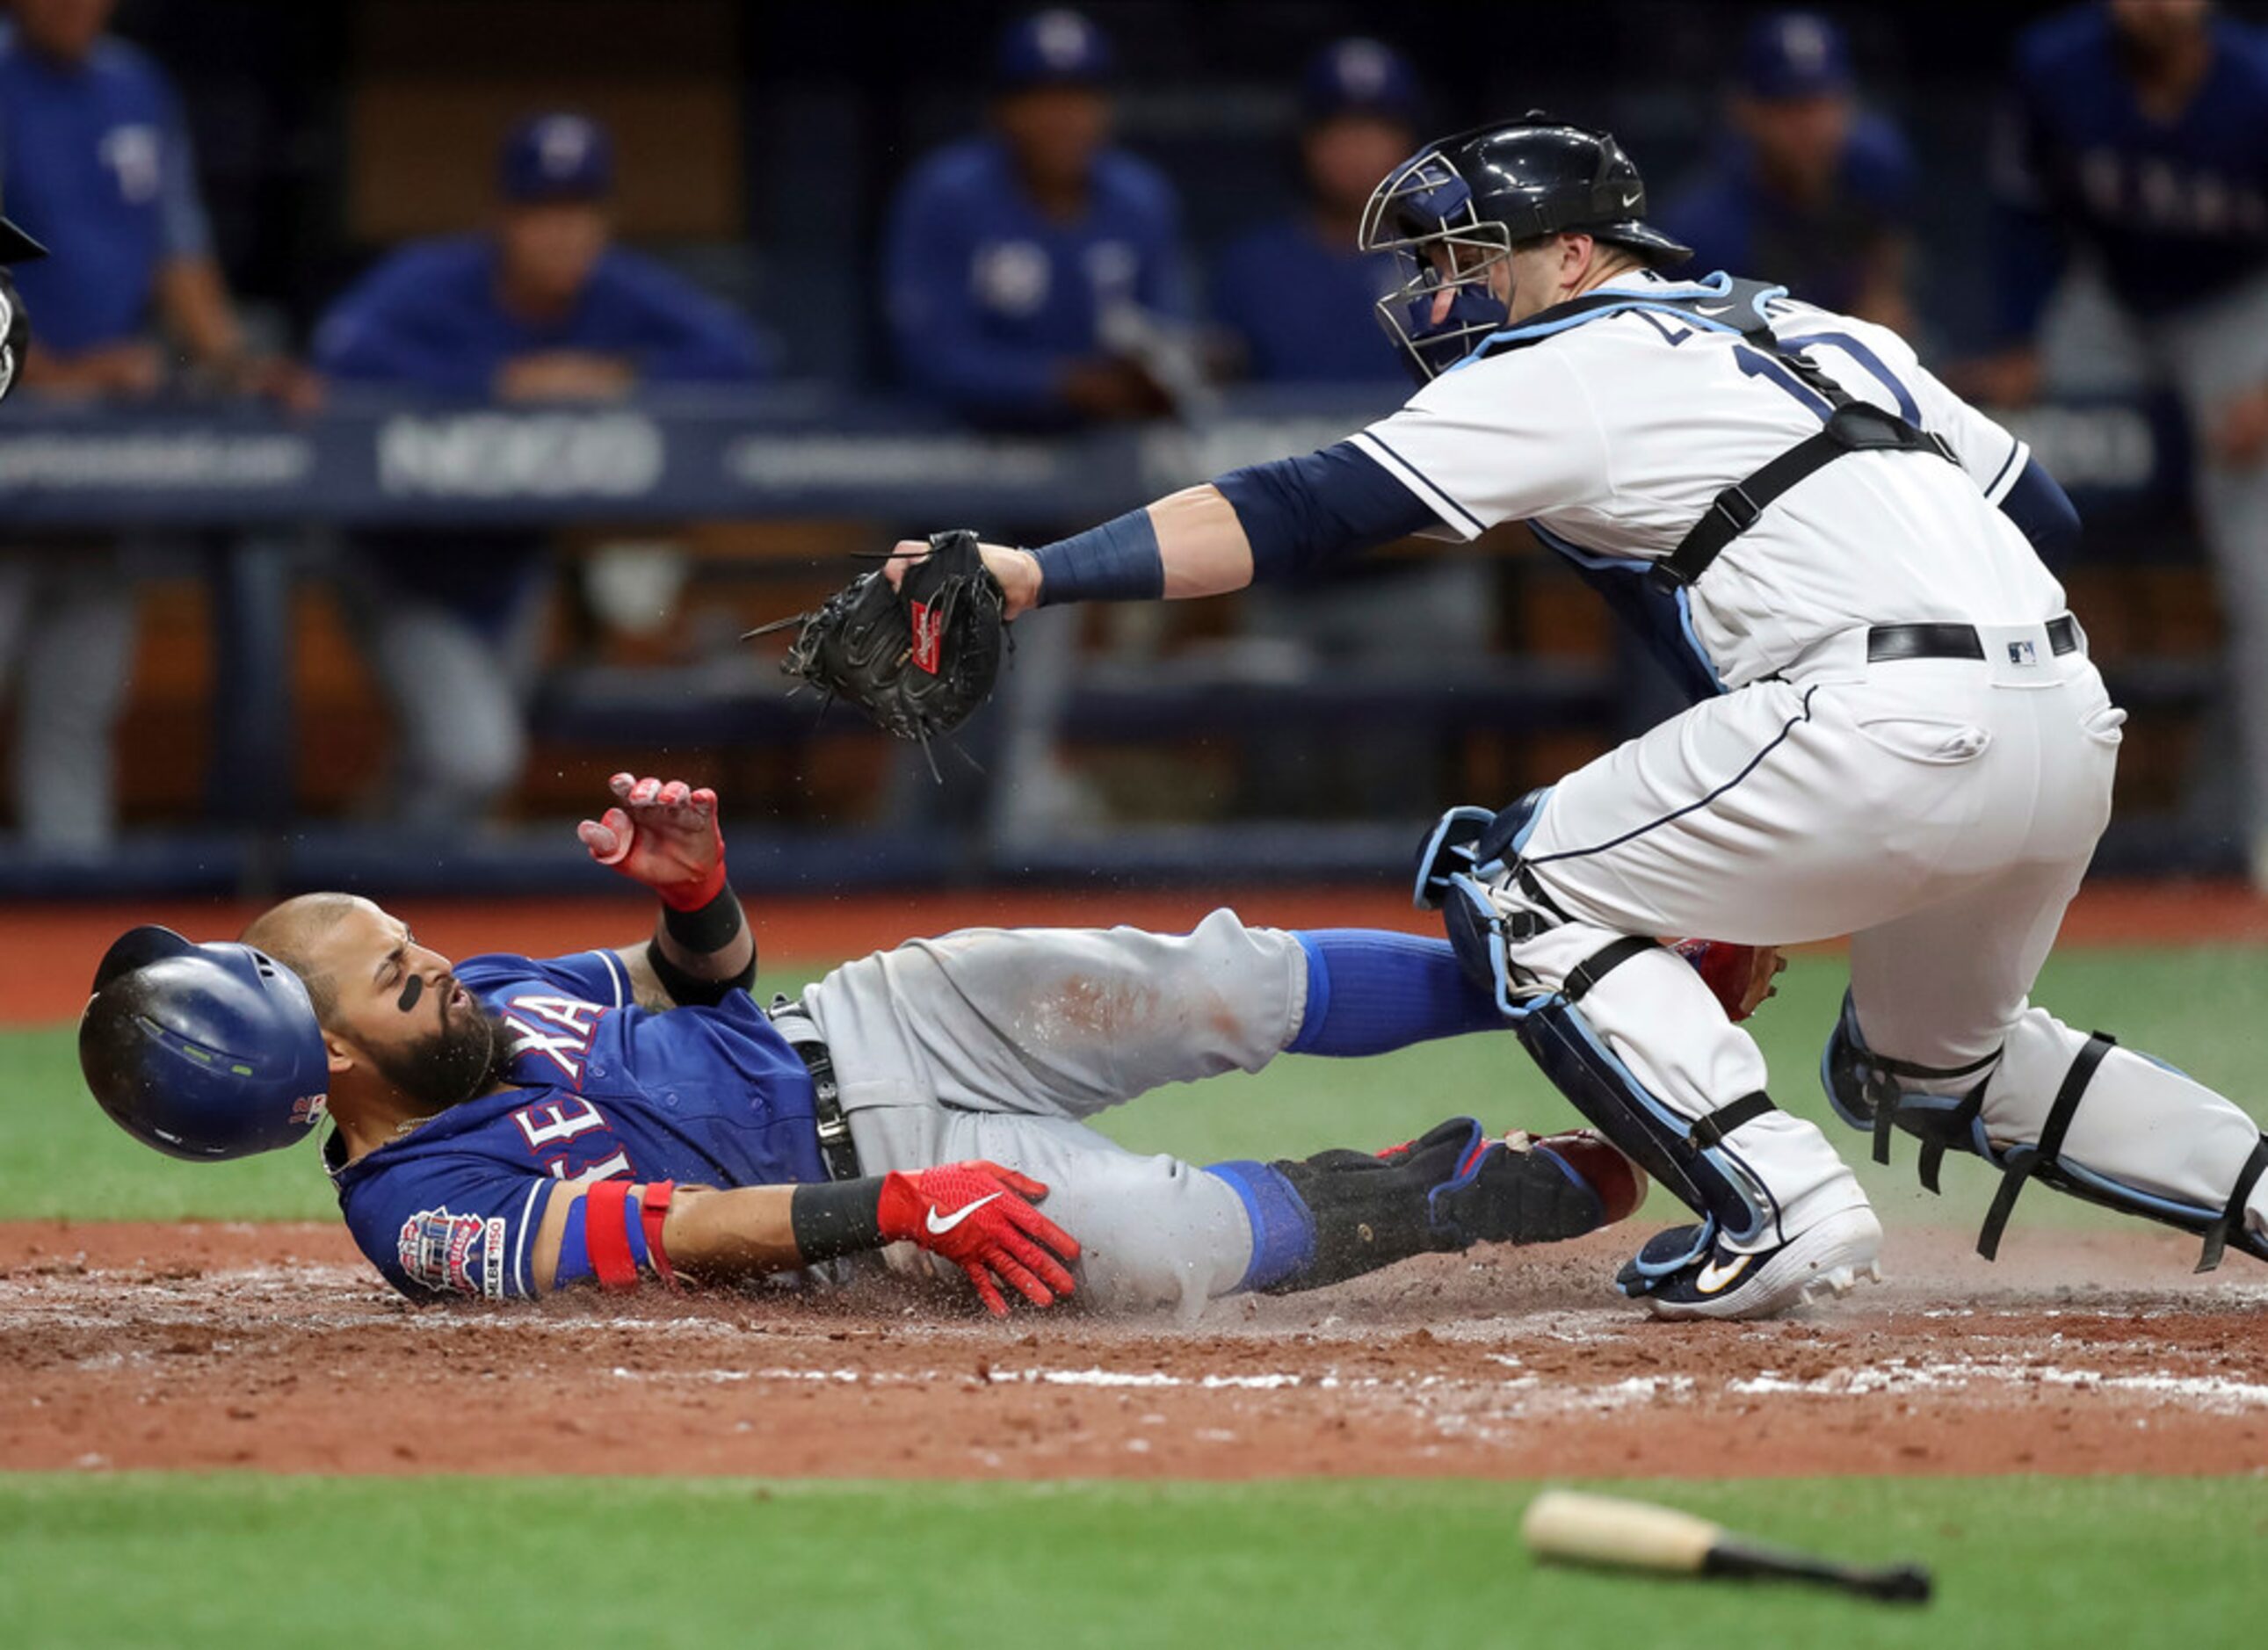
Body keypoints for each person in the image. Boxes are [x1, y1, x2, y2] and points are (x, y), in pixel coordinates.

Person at [884, 112, 2268, 1321]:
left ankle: (1778, 1199)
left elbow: (1302, 505)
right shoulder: (1821, 324)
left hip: (1880, 711)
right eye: (1432, 264)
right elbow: (2047, 512)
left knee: (1514, 881)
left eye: (1468, 257)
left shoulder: (1566, 361)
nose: (1443, 291)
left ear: (1576, 255)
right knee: (1935, 1059)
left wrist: (1036, 571)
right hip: (2063, 716)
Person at [78, 771, 1652, 1316]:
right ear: (332, 1068)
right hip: (887, 1169)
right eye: (396, 981)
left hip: (887, 1014)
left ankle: (1556, 966)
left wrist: (701, 895)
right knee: (1150, 1244)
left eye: (408, 947)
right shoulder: (423, 1211)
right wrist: (899, 1207)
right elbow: (682, 1229)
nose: (439, 971)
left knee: (1206, 988)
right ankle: (1434, 1193)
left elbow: (696, 979)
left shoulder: (473, 996)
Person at [313, 112, 775, 829]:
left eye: (580, 212)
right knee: (475, 758)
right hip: (401, 566)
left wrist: (618, 376)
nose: (562, 233)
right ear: (502, 219)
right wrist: (497, 382)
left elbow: (741, 355)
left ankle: (356, 901)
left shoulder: (616, 292)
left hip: (512, 567)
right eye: (540, 212)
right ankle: (379, 903)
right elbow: (340, 354)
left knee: (450, 766)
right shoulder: (435, 281)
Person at [1953, 0, 2268, 887]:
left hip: (2242, 308)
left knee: (2262, 567)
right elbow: (2020, 213)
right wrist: (2018, 340)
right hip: (2107, 305)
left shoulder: (2255, 82)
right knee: (1978, 454)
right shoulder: (2054, 66)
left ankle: (2260, 839)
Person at [0, 0, 308, 850]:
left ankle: (66, 906)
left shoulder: (134, 84)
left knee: (83, 689)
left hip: (100, 441)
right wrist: (43, 368)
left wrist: (236, 363)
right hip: (15, 413)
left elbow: (178, 250)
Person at [881, 8, 1192, 431]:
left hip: (1109, 448)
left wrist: (1174, 367)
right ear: (1002, 110)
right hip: (961, 448)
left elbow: (1165, 334)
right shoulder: (947, 194)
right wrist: (1064, 386)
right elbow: (932, 355)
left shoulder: (1141, 199)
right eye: (1040, 98)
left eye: (1079, 97)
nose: (1062, 118)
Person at [1656, 10, 1917, 331]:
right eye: (1789, 107)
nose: (1812, 126)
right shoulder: (1700, 233)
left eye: (1824, 103)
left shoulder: (1877, 162)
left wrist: (1880, 298)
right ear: (1745, 111)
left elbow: (1887, 252)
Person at [1212, 37, 1419, 387]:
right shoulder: (1251, 266)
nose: (1359, 149)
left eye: (1378, 129)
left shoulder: (1450, 264)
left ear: (1410, 144)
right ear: (1305, 143)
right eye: (1341, 129)